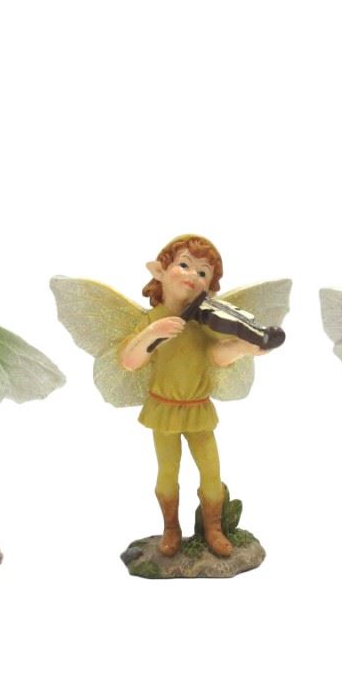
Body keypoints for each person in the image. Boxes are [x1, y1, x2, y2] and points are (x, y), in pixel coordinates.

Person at [119, 234, 265, 557]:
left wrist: (243, 346)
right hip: (164, 409)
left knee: (211, 470)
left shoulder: (204, 323)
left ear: (209, 288)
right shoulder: (152, 320)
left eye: (202, 273)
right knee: (167, 472)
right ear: (159, 271)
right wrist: (152, 333)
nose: (192, 276)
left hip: (199, 408)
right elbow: (129, 361)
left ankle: (213, 528)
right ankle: (171, 528)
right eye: (184, 265)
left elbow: (217, 356)